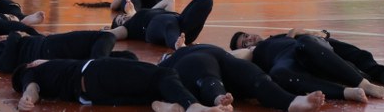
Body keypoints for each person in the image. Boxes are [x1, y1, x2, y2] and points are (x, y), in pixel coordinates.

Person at [229, 30, 384, 103]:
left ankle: (365, 83)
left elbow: (349, 51)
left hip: (307, 49)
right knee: (279, 73)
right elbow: (232, 58)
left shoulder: (281, 36)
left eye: (246, 35)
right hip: (285, 62)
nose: (249, 39)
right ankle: (346, 92)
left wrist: (299, 32)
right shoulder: (253, 54)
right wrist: (249, 50)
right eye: (244, 43)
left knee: (306, 42)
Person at [12, 58, 231, 112]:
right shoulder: (32, 72)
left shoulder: (46, 72)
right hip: (94, 72)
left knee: (152, 87)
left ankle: (162, 105)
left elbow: (34, 87)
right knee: (163, 74)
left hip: (94, 97)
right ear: (29, 64)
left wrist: (29, 96)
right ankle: (193, 106)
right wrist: (27, 98)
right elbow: (31, 88)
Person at [159, 43, 325, 112]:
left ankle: (291, 101)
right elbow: (155, 78)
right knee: (207, 73)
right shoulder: (174, 59)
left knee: (254, 75)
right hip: (195, 63)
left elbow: (246, 53)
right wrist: (179, 49)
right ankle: (219, 100)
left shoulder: (196, 48)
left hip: (223, 59)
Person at [0, 29, 122, 72]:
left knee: (123, 55)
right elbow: (5, 64)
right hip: (47, 48)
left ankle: (94, 66)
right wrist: (14, 35)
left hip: (48, 46)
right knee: (105, 36)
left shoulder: (11, 44)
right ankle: (95, 68)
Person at [108, 0, 213, 50]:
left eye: (122, 15)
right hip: (154, 27)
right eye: (120, 20)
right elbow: (111, 34)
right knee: (166, 22)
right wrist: (105, 31)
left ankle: (180, 43)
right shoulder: (127, 27)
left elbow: (169, 0)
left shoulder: (147, 12)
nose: (123, 17)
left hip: (181, 27)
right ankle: (178, 46)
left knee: (206, 0)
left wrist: (132, 11)